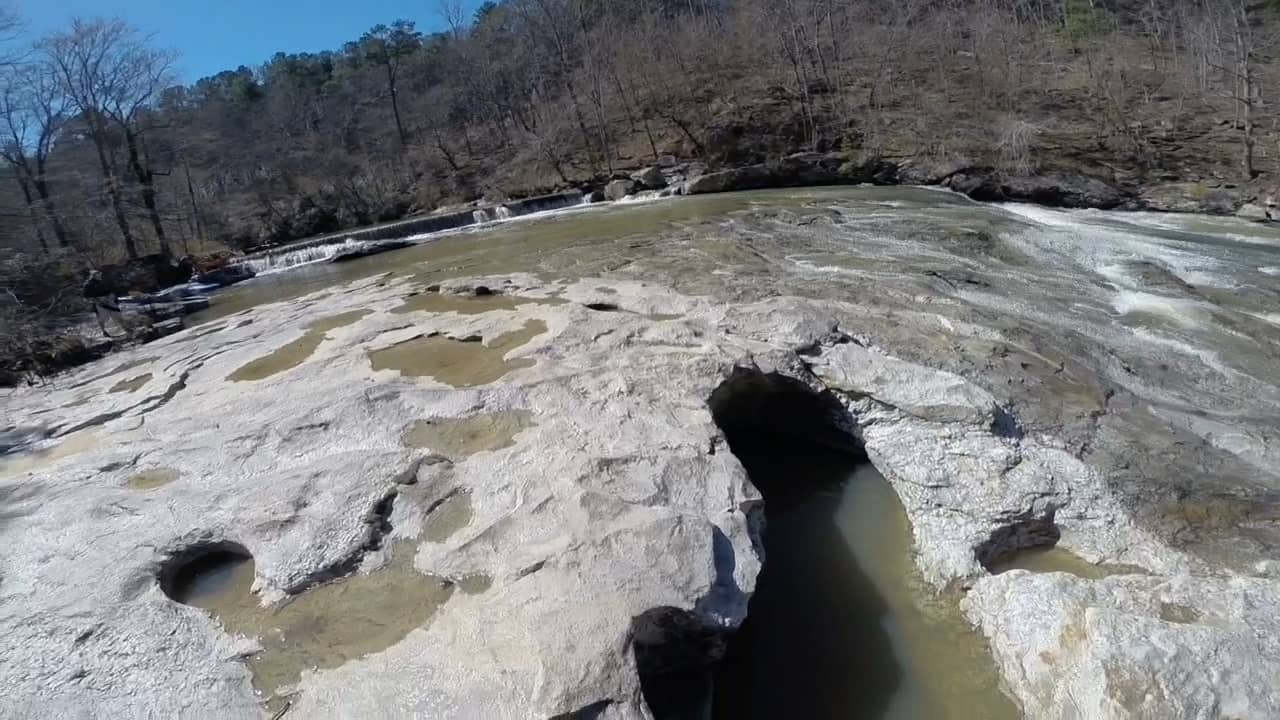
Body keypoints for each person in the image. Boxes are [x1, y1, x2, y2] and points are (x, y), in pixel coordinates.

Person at [83, 270, 125, 338]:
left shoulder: (102, 282)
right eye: (98, 274)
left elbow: (109, 290)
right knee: (102, 318)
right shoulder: (88, 284)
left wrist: (112, 296)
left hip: (108, 300)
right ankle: (104, 332)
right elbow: (86, 295)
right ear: (94, 276)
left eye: (100, 274)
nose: (100, 276)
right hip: (99, 301)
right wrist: (96, 301)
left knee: (117, 314)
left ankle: (126, 327)